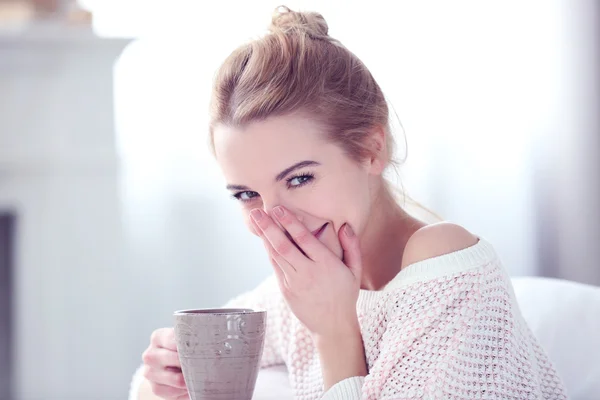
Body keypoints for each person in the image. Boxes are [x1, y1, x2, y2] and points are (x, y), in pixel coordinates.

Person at [129, 6, 567, 400]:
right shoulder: (304, 288)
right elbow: (156, 381)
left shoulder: (443, 261)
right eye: (248, 195)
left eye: (299, 178)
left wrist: (335, 332)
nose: (275, 218)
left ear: (371, 149)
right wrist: (161, 374)